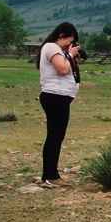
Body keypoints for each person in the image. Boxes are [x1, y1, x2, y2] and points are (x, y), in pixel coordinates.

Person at [37, 22, 84, 188]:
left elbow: (66, 69)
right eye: (69, 41)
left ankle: (48, 174)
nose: (69, 45)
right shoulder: (51, 48)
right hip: (56, 96)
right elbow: (62, 70)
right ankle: (52, 176)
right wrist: (69, 56)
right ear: (61, 35)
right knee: (56, 137)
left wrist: (72, 59)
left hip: (58, 97)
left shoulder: (57, 51)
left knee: (53, 136)